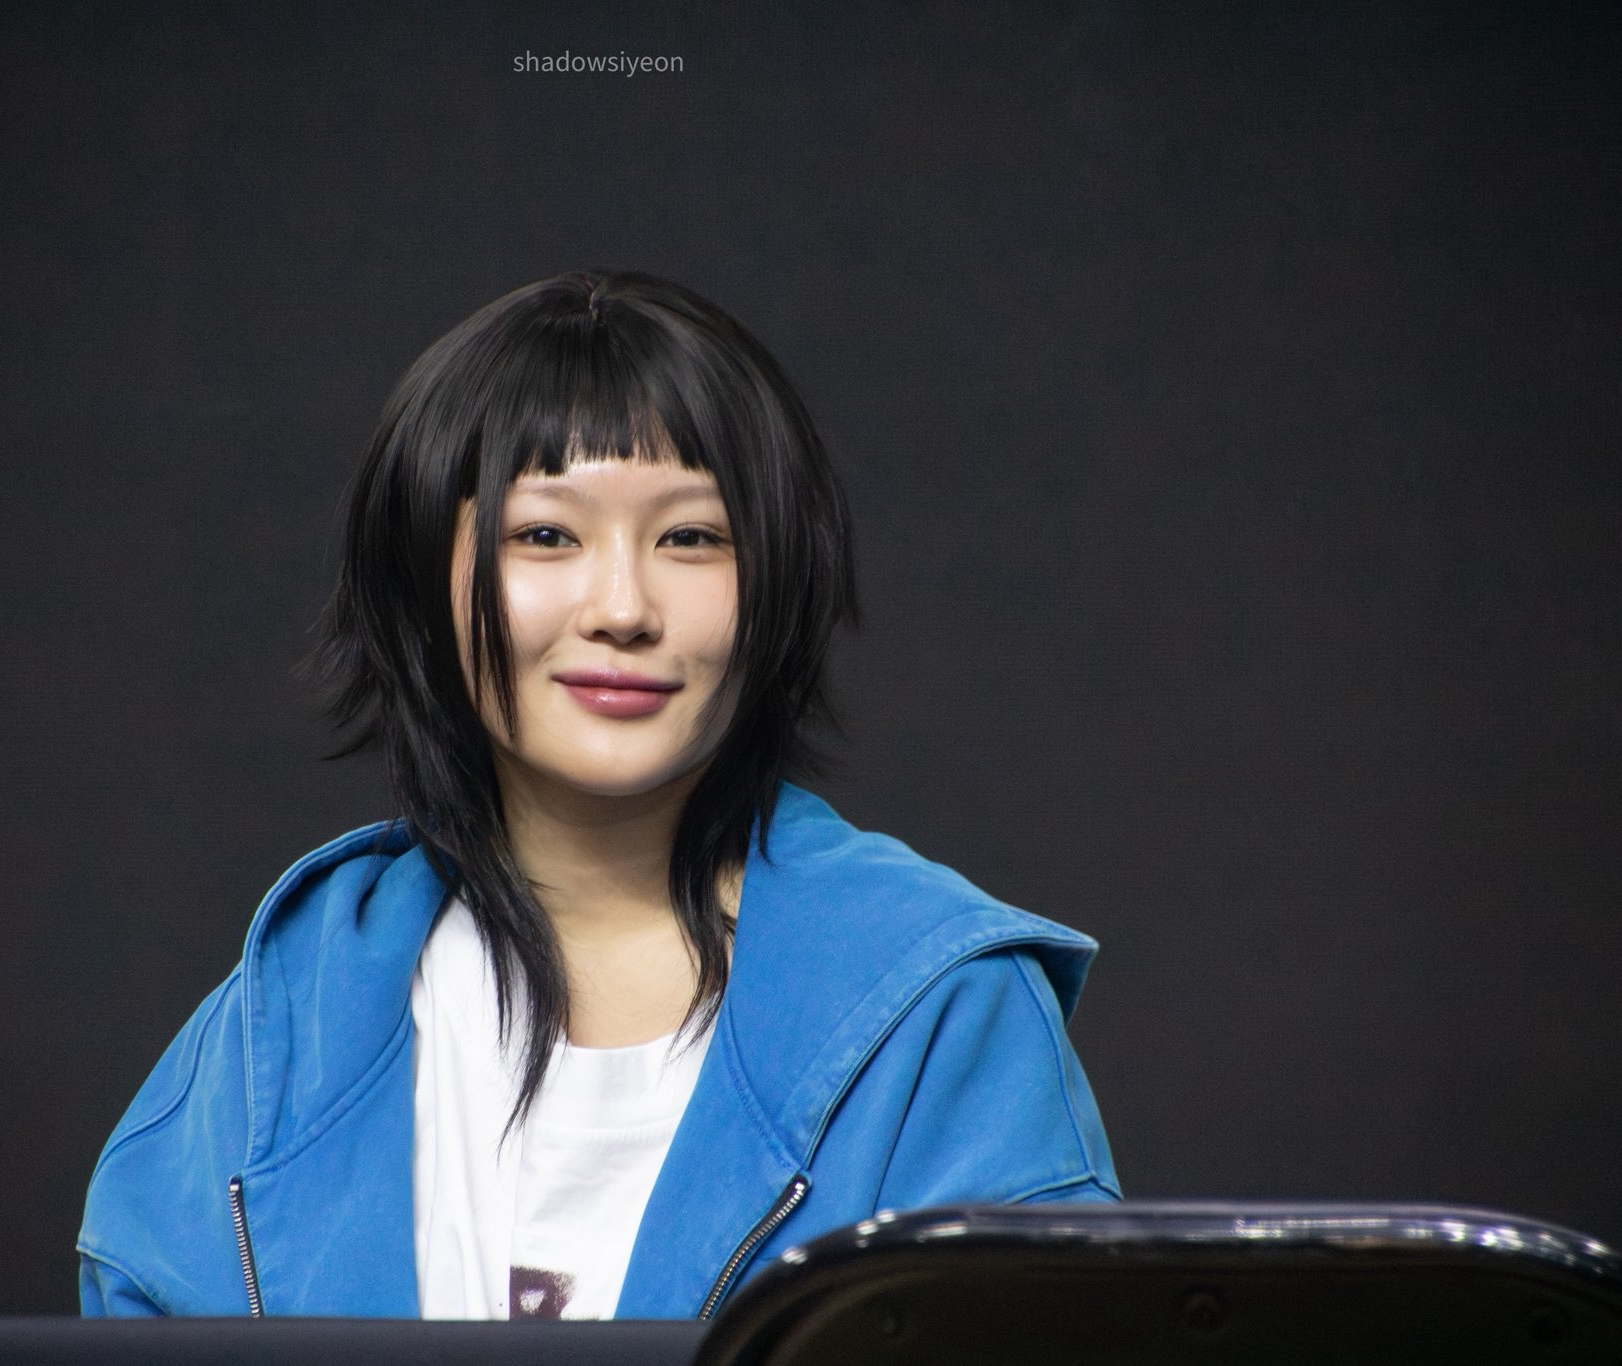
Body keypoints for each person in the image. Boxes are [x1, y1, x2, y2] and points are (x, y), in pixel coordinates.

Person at [76, 271, 1118, 1322]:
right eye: (545, 535)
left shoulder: (942, 1013)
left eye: (691, 537)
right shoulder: (282, 1024)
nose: (622, 607)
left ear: (776, 583)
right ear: (419, 583)